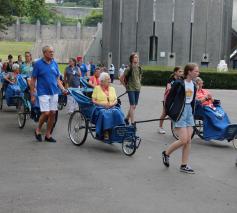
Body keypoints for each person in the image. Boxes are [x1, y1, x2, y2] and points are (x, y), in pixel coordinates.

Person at [162, 63, 199, 174]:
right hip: (180, 112)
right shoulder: (179, 83)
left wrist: (192, 112)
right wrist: (169, 112)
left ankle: (184, 165)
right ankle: (166, 153)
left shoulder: (194, 84)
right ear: (189, 72)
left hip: (189, 113)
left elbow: (192, 101)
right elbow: (169, 97)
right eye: (196, 71)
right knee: (183, 139)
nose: (198, 73)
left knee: (188, 140)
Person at [30, 45, 67, 143]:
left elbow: (57, 79)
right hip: (43, 92)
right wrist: (32, 94)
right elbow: (33, 79)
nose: (52, 53)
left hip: (54, 92)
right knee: (46, 113)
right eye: (50, 52)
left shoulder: (54, 63)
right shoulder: (38, 64)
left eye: (53, 52)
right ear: (44, 53)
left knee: (53, 113)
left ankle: (48, 134)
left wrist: (63, 89)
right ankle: (38, 129)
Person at [92, 72, 124, 140]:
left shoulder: (112, 89)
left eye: (109, 79)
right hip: (100, 107)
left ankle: (119, 129)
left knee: (117, 112)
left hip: (112, 106)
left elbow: (116, 100)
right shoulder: (97, 88)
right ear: (102, 81)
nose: (110, 81)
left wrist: (112, 104)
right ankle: (106, 131)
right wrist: (103, 104)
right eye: (108, 79)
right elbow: (93, 101)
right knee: (105, 113)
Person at [158, 67, 183, 134]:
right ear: (175, 72)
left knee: (176, 112)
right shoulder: (171, 79)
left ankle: (176, 128)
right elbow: (169, 88)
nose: (181, 73)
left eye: (182, 71)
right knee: (165, 113)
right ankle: (160, 127)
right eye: (179, 71)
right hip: (169, 98)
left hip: (177, 99)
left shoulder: (181, 79)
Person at [120, 53, 142, 126]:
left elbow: (139, 77)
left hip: (137, 88)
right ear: (132, 59)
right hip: (131, 89)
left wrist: (139, 84)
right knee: (132, 105)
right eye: (135, 57)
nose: (137, 58)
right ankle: (132, 122)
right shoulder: (129, 68)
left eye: (137, 57)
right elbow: (121, 78)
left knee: (134, 106)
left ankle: (126, 119)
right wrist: (126, 86)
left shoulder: (139, 68)